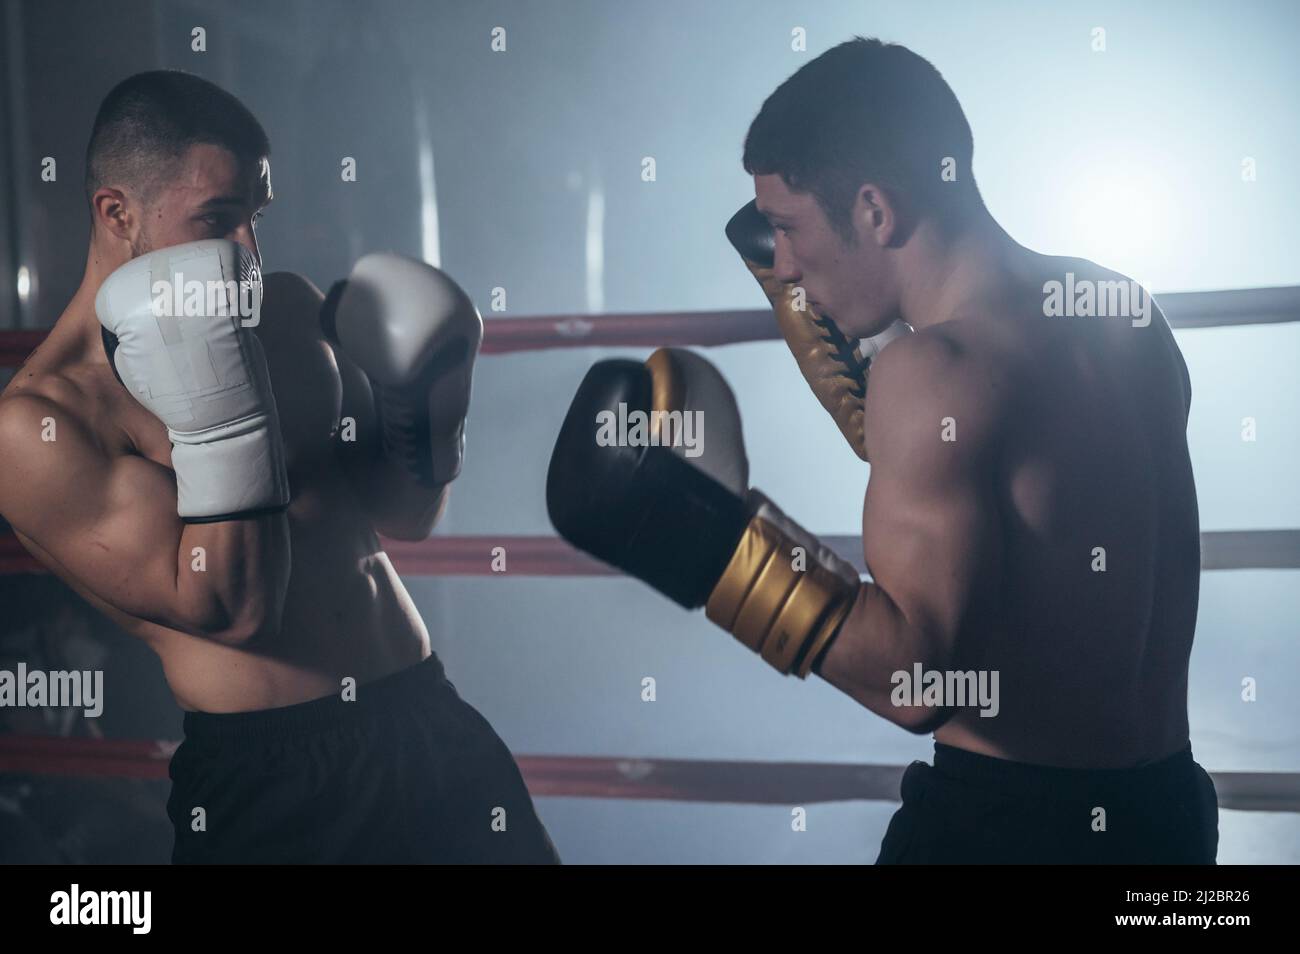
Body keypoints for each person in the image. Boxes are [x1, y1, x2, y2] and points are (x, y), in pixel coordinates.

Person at [548, 37, 1217, 864]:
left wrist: (702, 540)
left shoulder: (930, 374)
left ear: (874, 209)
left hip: (1006, 830)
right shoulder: (1124, 312)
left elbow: (920, 683)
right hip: (1169, 816)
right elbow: (1017, 495)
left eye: (788, 227)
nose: (782, 264)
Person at [0, 70, 558, 864]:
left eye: (255, 217)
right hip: (278, 787)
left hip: (425, 715)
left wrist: (428, 401)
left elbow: (402, 516)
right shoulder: (44, 426)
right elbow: (234, 609)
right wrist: (222, 403)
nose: (249, 253)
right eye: (218, 219)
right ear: (116, 212)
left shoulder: (287, 310)